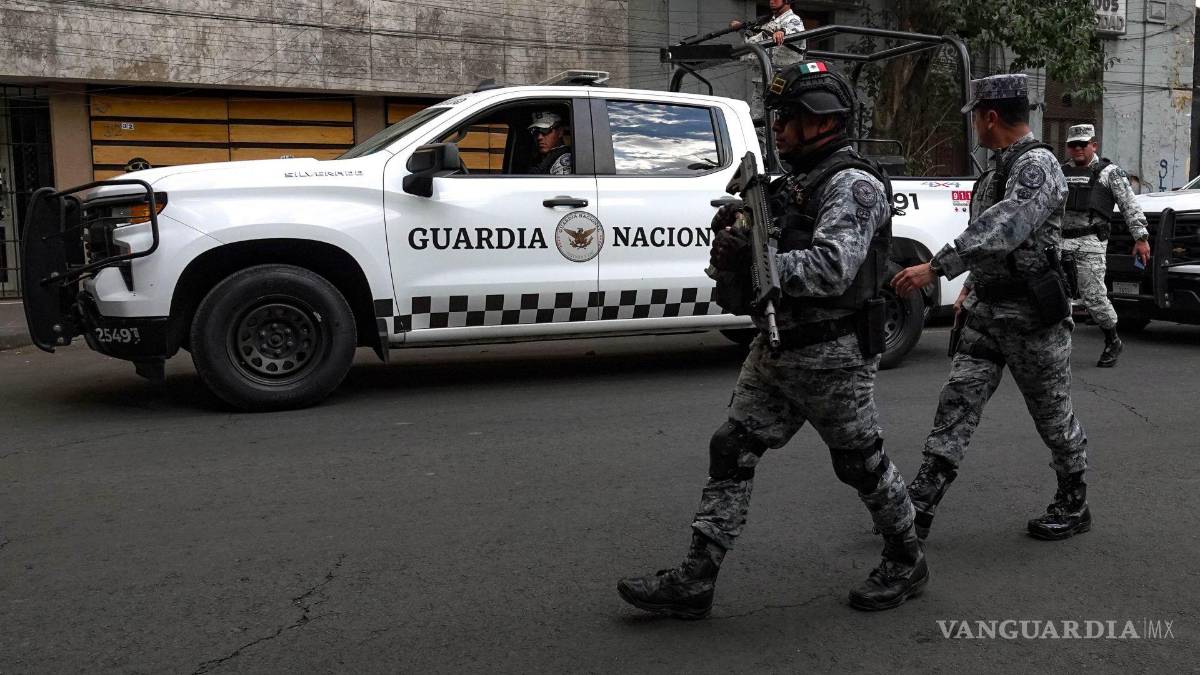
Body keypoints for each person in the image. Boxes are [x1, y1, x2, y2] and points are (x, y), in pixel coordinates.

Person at [617, 62, 927, 619]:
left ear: (823, 121)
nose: (777, 129)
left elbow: (832, 267)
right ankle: (696, 579)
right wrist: (734, 243)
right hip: (777, 347)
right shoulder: (793, 185)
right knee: (731, 448)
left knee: (861, 463)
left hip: (832, 355)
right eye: (777, 118)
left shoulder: (852, 185)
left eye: (788, 119)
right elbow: (757, 254)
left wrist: (762, 261)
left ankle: (906, 558)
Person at [891, 74, 1091, 544]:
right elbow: (991, 244)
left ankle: (1074, 499)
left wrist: (936, 268)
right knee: (957, 402)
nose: (974, 126)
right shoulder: (996, 169)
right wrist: (969, 287)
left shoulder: (1037, 165)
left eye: (976, 117)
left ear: (991, 117)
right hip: (987, 310)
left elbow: (1005, 227)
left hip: (1031, 315)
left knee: (1052, 414)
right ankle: (920, 503)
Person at [1060, 123, 1150, 367]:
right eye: (1073, 145)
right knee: (1058, 296)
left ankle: (1112, 339)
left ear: (1094, 145)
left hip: (1090, 243)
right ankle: (1059, 348)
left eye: (1083, 144)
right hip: (1061, 243)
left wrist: (1141, 238)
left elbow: (1129, 205)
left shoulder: (1109, 173)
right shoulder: (1059, 171)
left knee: (1093, 297)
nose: (1078, 149)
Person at [730, 0, 806, 130]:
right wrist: (742, 29)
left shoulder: (793, 19)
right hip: (764, 80)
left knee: (777, 121)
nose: (772, 1)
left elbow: (796, 33)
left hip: (781, 81)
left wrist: (783, 32)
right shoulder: (769, 22)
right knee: (758, 123)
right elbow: (754, 41)